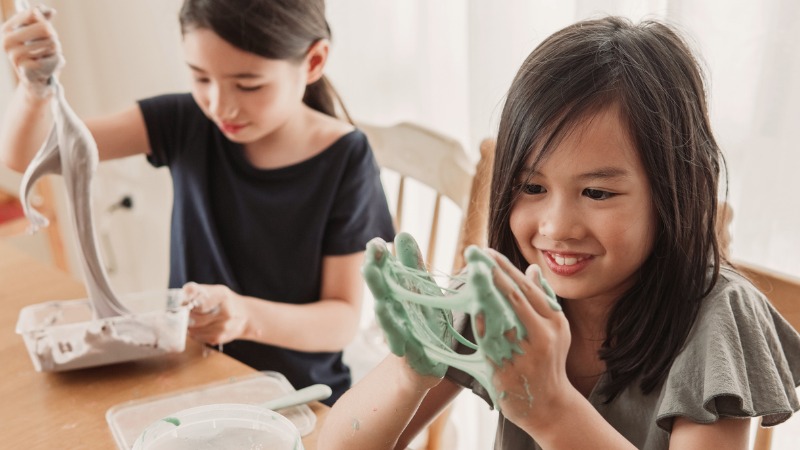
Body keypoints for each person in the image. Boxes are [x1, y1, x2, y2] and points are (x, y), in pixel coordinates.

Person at [319, 16, 800, 448]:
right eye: (531, 186)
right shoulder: (504, 294)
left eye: (596, 193)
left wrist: (549, 408)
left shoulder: (718, 321)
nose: (555, 227)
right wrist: (409, 373)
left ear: (672, 193)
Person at [0, 0, 394, 405]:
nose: (220, 105)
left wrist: (244, 317)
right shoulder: (184, 120)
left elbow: (342, 320)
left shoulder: (347, 159)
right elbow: (30, 155)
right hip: (192, 382)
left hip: (299, 395)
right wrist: (33, 89)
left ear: (313, 62)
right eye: (200, 77)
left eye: (249, 84)